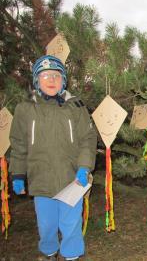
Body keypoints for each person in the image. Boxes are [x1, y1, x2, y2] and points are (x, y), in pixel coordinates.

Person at [9, 55, 97, 260]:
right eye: (45, 75)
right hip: (41, 178)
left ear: (63, 81)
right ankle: (49, 252)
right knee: (46, 225)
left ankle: (72, 255)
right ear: (36, 80)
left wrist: (84, 167)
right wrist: (18, 174)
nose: (51, 80)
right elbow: (19, 143)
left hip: (71, 178)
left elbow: (87, 138)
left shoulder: (75, 106)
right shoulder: (25, 109)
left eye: (56, 76)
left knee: (71, 223)